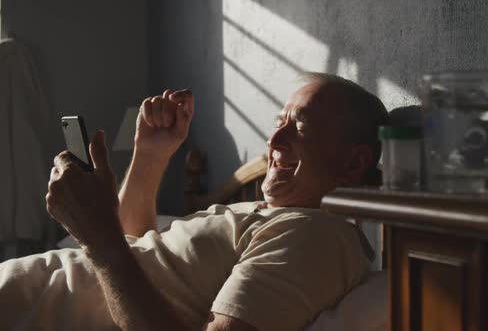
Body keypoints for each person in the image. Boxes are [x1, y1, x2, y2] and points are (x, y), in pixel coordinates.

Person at [0, 73, 389, 331]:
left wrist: (97, 239)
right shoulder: (268, 215)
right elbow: (136, 248)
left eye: (299, 127)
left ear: (353, 162)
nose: (273, 142)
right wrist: (150, 156)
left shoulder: (316, 235)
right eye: (278, 124)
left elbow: (115, 252)